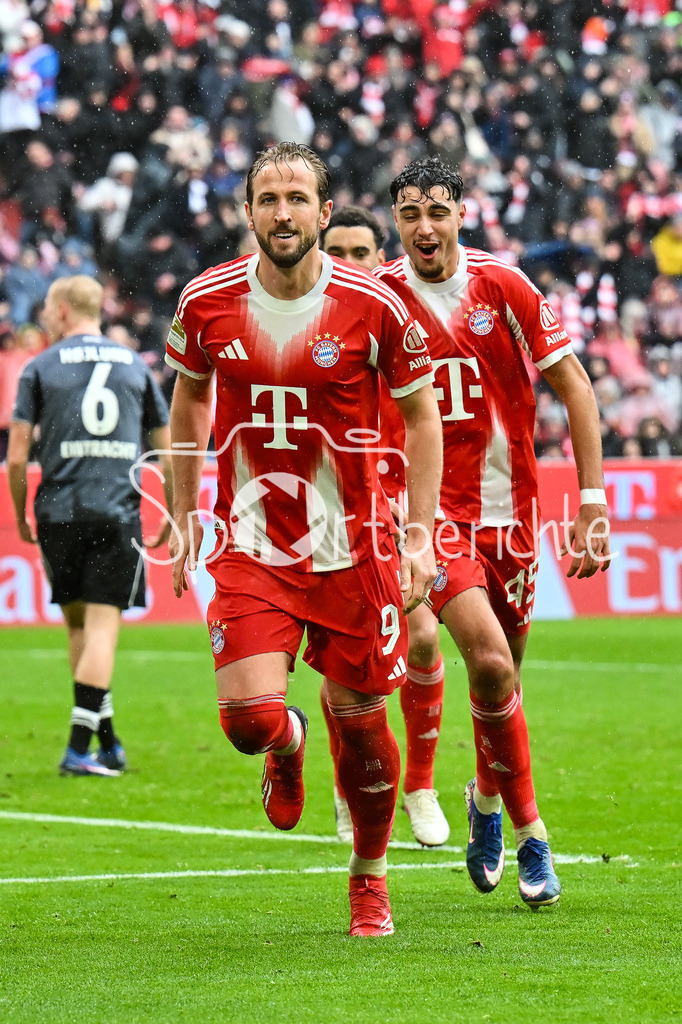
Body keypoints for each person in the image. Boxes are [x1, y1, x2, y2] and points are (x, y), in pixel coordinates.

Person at [166, 142, 442, 937]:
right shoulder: (205, 301)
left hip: (355, 553)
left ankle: (369, 877)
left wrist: (418, 536)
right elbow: (188, 400)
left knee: (363, 730)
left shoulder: (376, 305)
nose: (281, 213)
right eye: (267, 198)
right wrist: (185, 506)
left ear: (325, 212)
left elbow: (421, 418)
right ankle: (288, 743)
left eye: (297, 199)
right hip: (253, 546)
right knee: (250, 720)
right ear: (247, 211)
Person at [381, 157, 611, 908]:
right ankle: (534, 836)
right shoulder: (380, 296)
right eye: (411, 212)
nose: (424, 226)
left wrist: (593, 500)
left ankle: (483, 800)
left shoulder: (504, 286)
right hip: (432, 519)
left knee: (501, 675)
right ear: (397, 221)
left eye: (437, 210)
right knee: (490, 661)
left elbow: (575, 387)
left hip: (513, 515)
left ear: (460, 215)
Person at [321, 204, 449, 847]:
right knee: (341, 660)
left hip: (400, 506)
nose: (348, 264)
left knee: (423, 637)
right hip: (328, 509)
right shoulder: (308, 330)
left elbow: (427, 424)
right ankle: (347, 790)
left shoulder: (397, 323)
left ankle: (420, 785)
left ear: (381, 259)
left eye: (360, 252)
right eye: (335, 252)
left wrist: (417, 515)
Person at [7, 275, 173, 777]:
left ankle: (106, 738)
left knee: (77, 625)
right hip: (116, 510)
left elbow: (17, 458)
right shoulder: (134, 367)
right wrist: (167, 512)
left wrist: (20, 514)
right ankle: (81, 747)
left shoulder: (39, 367)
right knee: (103, 627)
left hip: (58, 509)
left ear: (60, 310)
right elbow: (166, 453)